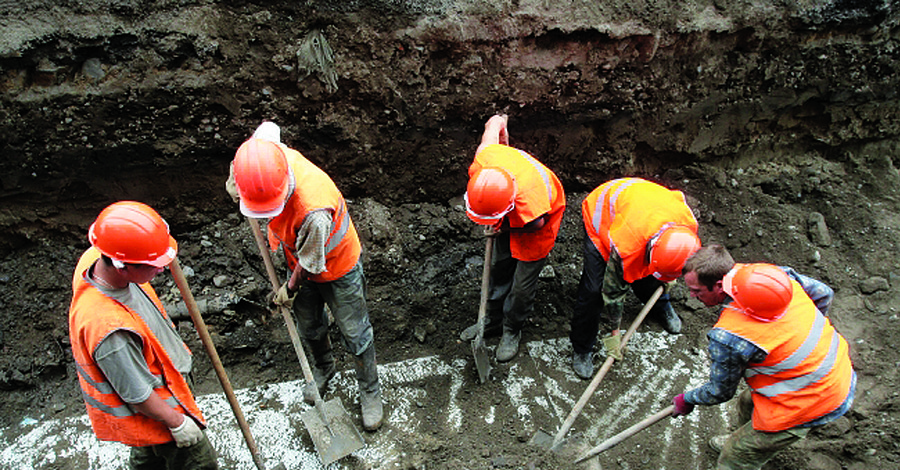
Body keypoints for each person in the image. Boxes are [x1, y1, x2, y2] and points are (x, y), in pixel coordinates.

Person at [227, 122, 383, 431]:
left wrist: (289, 287)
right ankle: (324, 370)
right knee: (309, 326)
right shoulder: (258, 159)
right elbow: (262, 137)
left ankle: (370, 390)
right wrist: (240, 192)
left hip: (337, 266)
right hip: (296, 255)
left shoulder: (313, 209)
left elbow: (310, 264)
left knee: (355, 333)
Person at [672, 244, 856, 470]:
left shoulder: (729, 337)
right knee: (747, 402)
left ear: (719, 285)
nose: (691, 295)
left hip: (814, 399)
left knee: (734, 457)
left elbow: (720, 391)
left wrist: (687, 399)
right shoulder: (774, 279)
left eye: (697, 291)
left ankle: (742, 451)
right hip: (833, 364)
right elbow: (823, 293)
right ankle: (743, 438)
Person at [68, 201, 218, 470]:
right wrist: (178, 423)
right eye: (153, 265)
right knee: (200, 463)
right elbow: (136, 394)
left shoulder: (97, 257)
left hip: (165, 387)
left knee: (149, 459)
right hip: (160, 408)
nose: (161, 269)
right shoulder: (110, 331)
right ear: (122, 266)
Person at [459, 114, 566, 363]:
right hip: (509, 215)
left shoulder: (531, 201)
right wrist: (501, 121)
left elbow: (535, 224)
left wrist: (504, 230)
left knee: (521, 287)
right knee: (498, 267)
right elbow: (492, 125)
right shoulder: (485, 159)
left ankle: (511, 329)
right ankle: (491, 320)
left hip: (537, 229)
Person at [570, 177, 700, 379]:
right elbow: (612, 292)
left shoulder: (688, 231)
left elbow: (676, 261)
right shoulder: (627, 247)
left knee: (649, 277)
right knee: (594, 290)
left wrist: (669, 276)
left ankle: (661, 305)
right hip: (602, 215)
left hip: (643, 209)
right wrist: (615, 334)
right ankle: (582, 347)